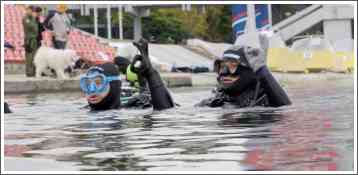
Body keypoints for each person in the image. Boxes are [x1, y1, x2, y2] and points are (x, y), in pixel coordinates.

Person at [196, 33, 291, 108]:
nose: (224, 73)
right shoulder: (217, 100)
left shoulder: (266, 96)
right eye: (221, 66)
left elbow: (284, 109)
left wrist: (262, 71)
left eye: (233, 65)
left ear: (250, 70)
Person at [80, 39, 174, 111]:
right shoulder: (83, 110)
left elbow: (165, 111)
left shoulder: (136, 106)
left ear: (113, 85)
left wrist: (151, 74)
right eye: (87, 84)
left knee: (144, 91)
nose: (92, 89)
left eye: (98, 82)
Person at [23, 5, 40, 77]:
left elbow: (37, 28)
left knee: (34, 56)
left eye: (33, 10)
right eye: (31, 10)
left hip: (34, 39)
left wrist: (35, 18)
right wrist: (34, 18)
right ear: (27, 10)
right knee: (29, 57)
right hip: (29, 40)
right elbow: (31, 26)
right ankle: (29, 72)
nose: (32, 11)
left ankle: (33, 71)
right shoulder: (26, 18)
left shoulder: (33, 18)